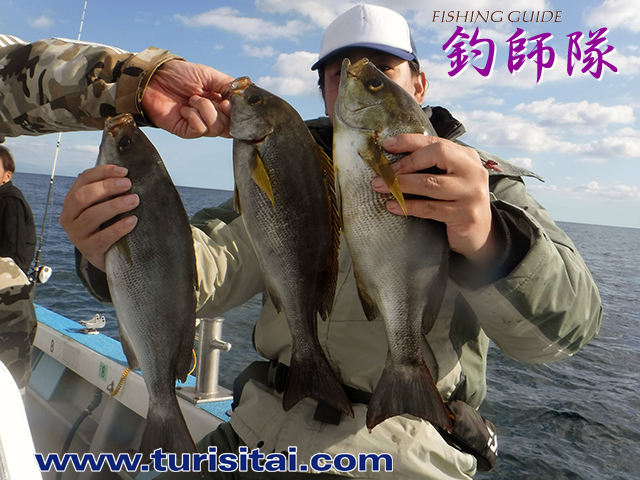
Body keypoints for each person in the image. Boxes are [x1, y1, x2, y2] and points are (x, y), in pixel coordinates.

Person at [0, 5, 602, 478]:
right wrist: (111, 248)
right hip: (258, 431)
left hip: (404, 456)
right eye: (338, 74)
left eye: (381, 69)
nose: (356, 82)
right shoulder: (288, 174)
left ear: (418, 83)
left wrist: (488, 237)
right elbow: (213, 261)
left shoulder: (483, 184)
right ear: (325, 93)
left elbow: (569, 330)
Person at [0, 144, 38, 393]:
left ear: (7, 175)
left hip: (8, 301)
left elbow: (12, 258)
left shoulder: (9, 199)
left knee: (9, 388)